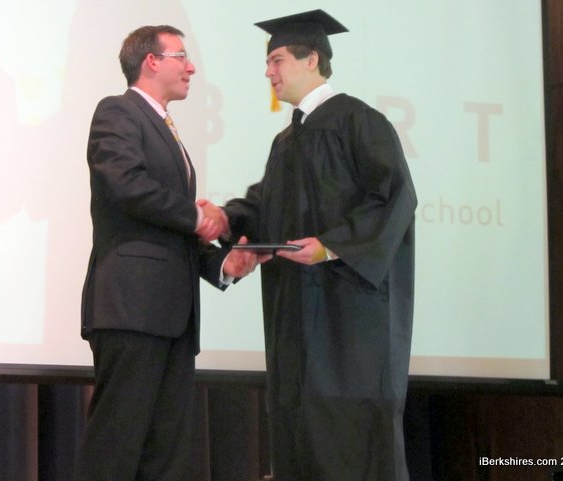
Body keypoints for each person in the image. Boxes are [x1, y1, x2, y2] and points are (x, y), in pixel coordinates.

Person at [223, 10, 418, 481]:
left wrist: (330, 246)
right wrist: (226, 219)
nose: (268, 72)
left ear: (312, 59)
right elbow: (267, 207)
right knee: (298, 430)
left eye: (276, 60)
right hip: (296, 316)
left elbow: (395, 196)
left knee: (347, 438)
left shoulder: (358, 121)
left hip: (348, 317)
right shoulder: (286, 140)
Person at [75, 25, 256, 481]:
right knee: (117, 446)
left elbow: (169, 229)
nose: (191, 67)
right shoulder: (118, 111)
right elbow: (126, 186)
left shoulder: (166, 128)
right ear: (151, 61)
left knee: (166, 452)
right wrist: (197, 217)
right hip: (132, 309)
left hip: (173, 315)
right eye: (181, 56)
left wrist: (223, 264)